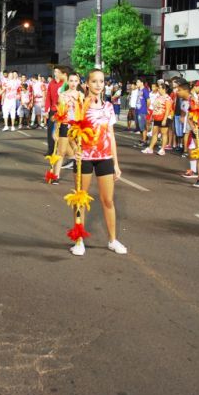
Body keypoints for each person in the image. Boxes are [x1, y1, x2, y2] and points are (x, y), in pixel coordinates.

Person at [69, 69, 126, 256]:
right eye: (94, 81)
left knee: (108, 200)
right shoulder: (79, 106)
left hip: (104, 158)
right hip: (84, 158)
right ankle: (79, 241)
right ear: (87, 83)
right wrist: (74, 150)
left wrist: (116, 164)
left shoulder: (108, 107)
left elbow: (111, 136)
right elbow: (70, 134)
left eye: (101, 81)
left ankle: (112, 240)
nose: (98, 84)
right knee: (81, 199)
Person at [52, 73, 81, 182]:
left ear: (78, 82)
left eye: (75, 81)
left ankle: (78, 177)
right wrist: (55, 130)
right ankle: (56, 176)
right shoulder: (62, 95)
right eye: (71, 81)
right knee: (61, 151)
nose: (73, 83)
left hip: (77, 126)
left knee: (78, 151)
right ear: (68, 82)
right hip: (65, 124)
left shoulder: (80, 95)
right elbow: (59, 114)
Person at [45, 65, 67, 154]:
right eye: (55, 72)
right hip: (53, 110)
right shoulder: (51, 83)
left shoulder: (64, 84)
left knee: (62, 131)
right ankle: (50, 150)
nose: (56, 73)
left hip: (63, 111)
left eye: (58, 72)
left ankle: (62, 150)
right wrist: (46, 109)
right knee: (51, 130)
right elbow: (48, 97)